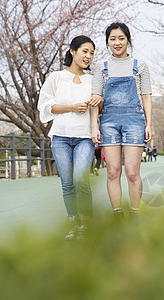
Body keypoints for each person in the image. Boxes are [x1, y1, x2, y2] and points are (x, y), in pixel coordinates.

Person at [90, 22, 152, 219]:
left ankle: (135, 213)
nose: (117, 42)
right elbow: (95, 98)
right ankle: (117, 214)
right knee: (112, 172)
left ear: (128, 40)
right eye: (112, 39)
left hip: (135, 120)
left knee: (132, 173)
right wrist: (95, 126)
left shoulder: (139, 66)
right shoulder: (101, 67)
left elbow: (146, 96)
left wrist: (149, 124)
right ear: (107, 42)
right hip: (108, 121)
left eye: (121, 38)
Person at [38, 35, 97, 240]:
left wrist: (99, 100)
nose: (88, 56)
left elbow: (100, 106)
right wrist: (72, 107)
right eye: (84, 51)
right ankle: (74, 223)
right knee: (67, 183)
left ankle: (87, 225)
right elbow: (46, 107)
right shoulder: (56, 77)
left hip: (84, 137)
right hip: (61, 137)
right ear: (72, 51)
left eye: (91, 53)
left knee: (81, 180)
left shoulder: (93, 80)